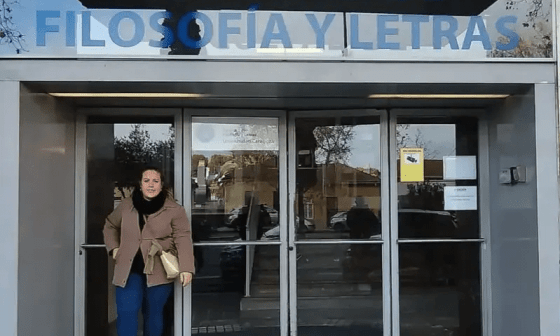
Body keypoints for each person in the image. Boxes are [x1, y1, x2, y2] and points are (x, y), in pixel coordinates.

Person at [103, 167, 195, 336]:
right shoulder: (126, 205)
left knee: (153, 315)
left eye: (155, 181)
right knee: (127, 313)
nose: (151, 185)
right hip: (129, 271)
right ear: (140, 184)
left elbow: (183, 238)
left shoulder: (174, 209)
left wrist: (186, 268)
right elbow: (110, 225)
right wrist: (114, 248)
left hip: (159, 270)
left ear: (162, 185)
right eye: (146, 181)